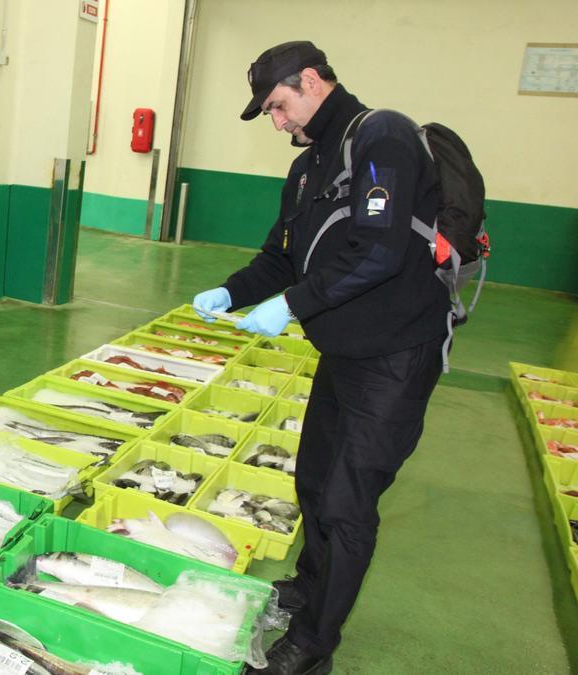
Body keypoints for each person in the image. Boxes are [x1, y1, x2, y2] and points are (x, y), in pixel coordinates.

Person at [192, 41, 449, 674]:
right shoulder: (308, 170)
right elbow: (281, 256)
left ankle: (312, 647)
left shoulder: (380, 137)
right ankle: (310, 588)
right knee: (312, 482)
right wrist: (232, 290)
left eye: (279, 107)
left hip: (394, 357)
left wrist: (294, 306)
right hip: (342, 353)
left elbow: (381, 252)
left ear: (311, 81)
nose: (278, 123)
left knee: (346, 505)